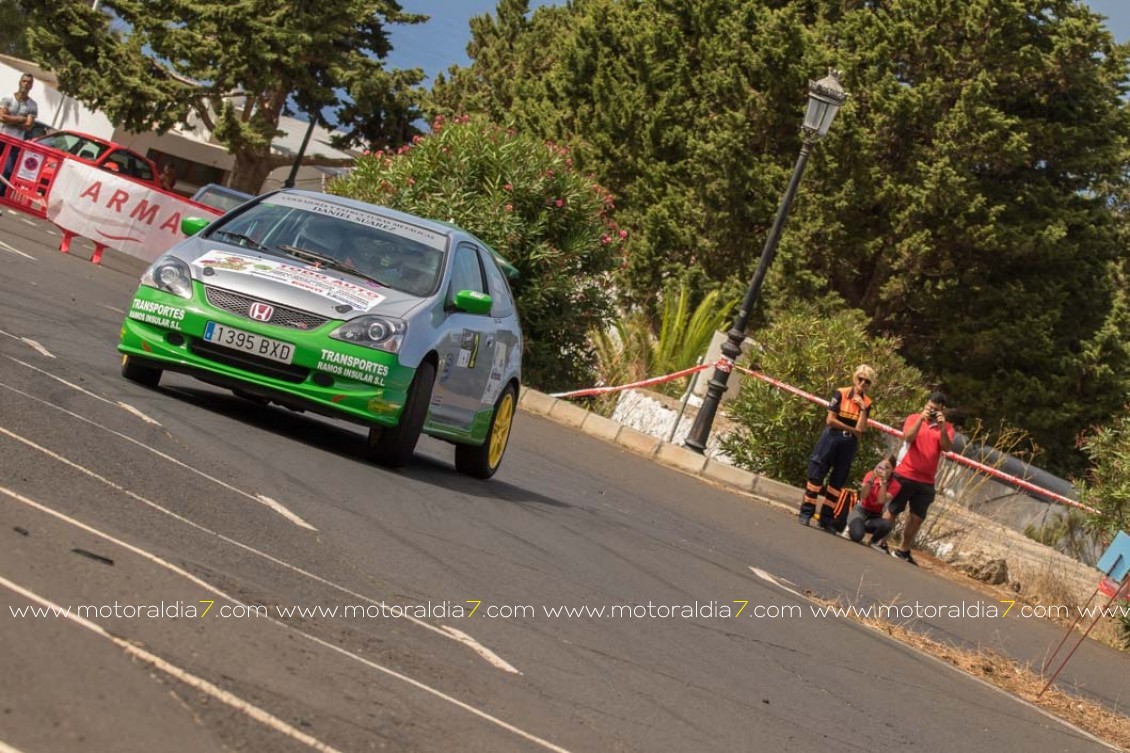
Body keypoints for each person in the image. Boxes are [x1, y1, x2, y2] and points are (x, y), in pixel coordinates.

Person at [798, 364, 876, 532]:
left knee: (836, 483)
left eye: (867, 382)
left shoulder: (867, 403)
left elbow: (861, 429)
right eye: (860, 379)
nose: (862, 384)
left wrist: (862, 408)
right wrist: (852, 429)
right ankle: (806, 513)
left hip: (848, 445)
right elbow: (830, 420)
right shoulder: (841, 393)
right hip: (831, 438)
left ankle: (825, 520)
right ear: (855, 378)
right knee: (816, 477)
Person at [883, 391, 955, 565]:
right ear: (925, 404)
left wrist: (942, 426)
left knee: (917, 517)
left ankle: (903, 549)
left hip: (926, 480)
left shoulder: (947, 427)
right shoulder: (914, 418)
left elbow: (946, 447)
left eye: (935, 410)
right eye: (929, 407)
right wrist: (921, 419)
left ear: (941, 410)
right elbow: (908, 437)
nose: (931, 411)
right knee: (893, 509)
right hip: (905, 473)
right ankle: (881, 540)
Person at [0, 73, 38, 199]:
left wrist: (10, 118)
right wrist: (20, 119)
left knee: (7, 170)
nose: (26, 84)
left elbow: (28, 125)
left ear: (31, 86)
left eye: (29, 82)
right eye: (24, 81)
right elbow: (2, 117)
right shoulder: (8, 98)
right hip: (2, 136)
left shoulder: (32, 105)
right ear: (20, 82)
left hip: (16, 142)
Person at [847, 456, 898, 549]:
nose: (884, 470)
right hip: (861, 510)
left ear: (892, 470)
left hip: (875, 515)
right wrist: (871, 479)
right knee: (857, 536)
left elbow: (881, 501)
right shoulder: (870, 474)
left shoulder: (895, 485)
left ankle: (873, 541)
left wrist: (884, 483)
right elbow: (863, 496)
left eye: (888, 468)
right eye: (882, 466)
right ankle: (853, 527)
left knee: (887, 525)